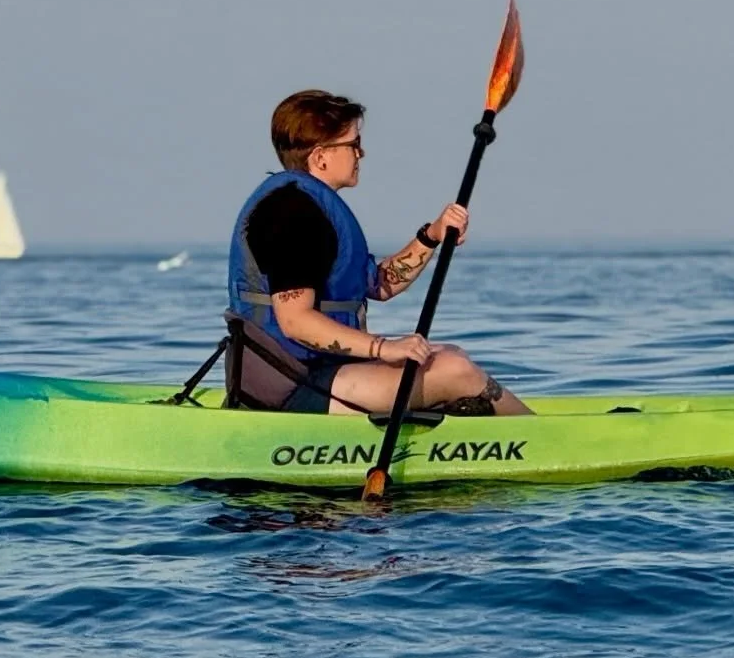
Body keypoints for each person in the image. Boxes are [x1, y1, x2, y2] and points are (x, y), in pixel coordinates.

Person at [226, 89, 532, 417]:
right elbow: (295, 322)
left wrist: (432, 236)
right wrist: (383, 348)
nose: (362, 153)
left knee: (443, 354)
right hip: (290, 386)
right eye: (353, 144)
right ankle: (538, 438)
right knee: (453, 368)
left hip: (317, 372)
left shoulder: (310, 207)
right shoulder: (292, 214)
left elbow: (381, 284)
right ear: (320, 156)